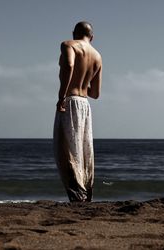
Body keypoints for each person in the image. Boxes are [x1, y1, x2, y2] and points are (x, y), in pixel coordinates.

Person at [53, 21, 102, 202]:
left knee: (65, 149)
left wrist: (62, 95)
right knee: (84, 151)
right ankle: (85, 193)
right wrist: (82, 82)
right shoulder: (97, 56)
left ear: (74, 33)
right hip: (85, 105)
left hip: (71, 101)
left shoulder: (68, 45)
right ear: (92, 37)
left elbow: (69, 65)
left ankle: (77, 196)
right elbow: (95, 93)